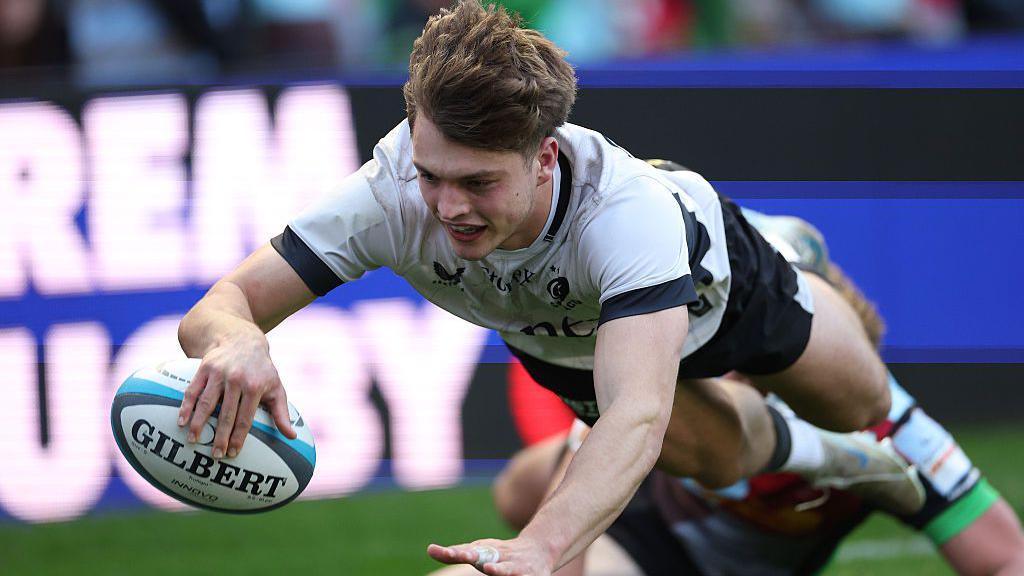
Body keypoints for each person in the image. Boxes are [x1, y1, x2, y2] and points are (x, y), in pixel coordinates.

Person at [176, 2, 918, 574]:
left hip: (717, 286)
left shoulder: (623, 212)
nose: (448, 208)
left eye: (478, 183)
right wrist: (237, 337)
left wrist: (541, 546)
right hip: (568, 337)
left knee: (864, 402)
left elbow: (636, 415)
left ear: (543, 158)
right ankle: (828, 460)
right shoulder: (388, 193)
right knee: (722, 460)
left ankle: (792, 250)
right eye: (432, 175)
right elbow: (218, 307)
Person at [429, 207, 1024, 576]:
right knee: (501, 524)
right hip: (644, 536)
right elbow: (518, 499)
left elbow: (1004, 555)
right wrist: (590, 438)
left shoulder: (894, 429)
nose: (735, 324)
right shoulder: (687, 364)